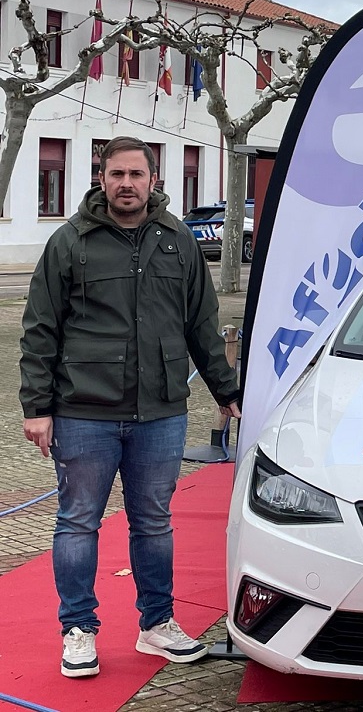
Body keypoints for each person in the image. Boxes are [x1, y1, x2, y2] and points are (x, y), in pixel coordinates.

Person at [19, 136, 242, 679]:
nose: (126, 184)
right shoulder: (70, 242)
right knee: (77, 523)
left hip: (161, 413)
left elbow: (201, 327)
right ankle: (78, 630)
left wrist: (227, 391)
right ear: (102, 179)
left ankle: (156, 624)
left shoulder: (179, 241)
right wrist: (36, 407)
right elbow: (40, 329)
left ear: (152, 179)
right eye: (116, 174)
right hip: (83, 412)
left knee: (154, 523)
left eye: (135, 175)